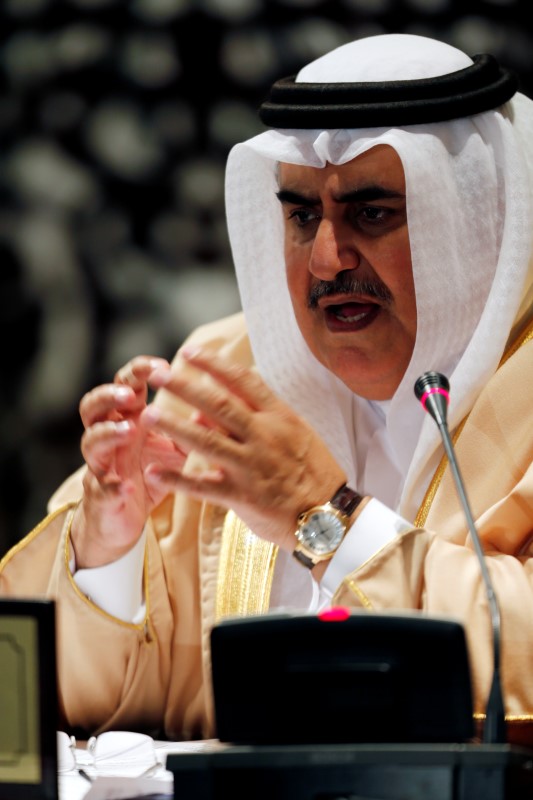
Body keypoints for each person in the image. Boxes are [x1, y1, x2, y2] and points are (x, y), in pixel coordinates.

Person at [2, 32, 533, 746]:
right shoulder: (226, 373)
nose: (325, 259)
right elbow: (49, 708)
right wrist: (109, 552)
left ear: (473, 218)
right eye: (302, 214)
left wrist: (325, 519)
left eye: (371, 213)